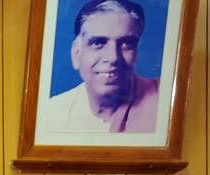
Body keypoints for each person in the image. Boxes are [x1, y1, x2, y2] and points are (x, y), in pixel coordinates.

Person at [44, 0, 159, 133]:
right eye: (98, 43)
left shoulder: (163, 103)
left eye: (126, 44)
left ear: (137, 53)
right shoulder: (51, 115)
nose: (113, 57)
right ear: (76, 54)